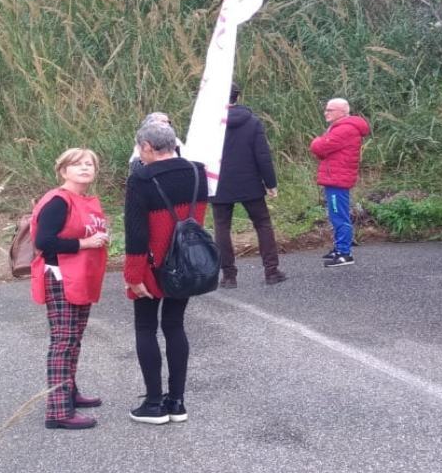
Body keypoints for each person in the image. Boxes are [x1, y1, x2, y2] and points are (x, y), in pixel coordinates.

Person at [124, 123, 207, 424]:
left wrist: (133, 274)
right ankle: (177, 402)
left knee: (145, 327)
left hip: (152, 266)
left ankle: (154, 403)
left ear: (147, 146)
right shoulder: (197, 171)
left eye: (140, 149)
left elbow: (136, 232)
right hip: (186, 262)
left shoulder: (141, 179)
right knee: (175, 326)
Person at [31, 148, 110, 430]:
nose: (85, 168)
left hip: (80, 276)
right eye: (77, 165)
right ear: (63, 171)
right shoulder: (58, 201)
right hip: (60, 277)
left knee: (74, 339)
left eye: (89, 164)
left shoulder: (83, 199)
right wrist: (85, 244)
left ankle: (69, 393)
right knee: (63, 342)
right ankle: (58, 411)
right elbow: (44, 242)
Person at [211, 83, 285, 288]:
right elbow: (262, 156)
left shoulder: (209, 123)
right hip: (249, 181)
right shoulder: (252, 122)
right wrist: (270, 183)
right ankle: (271, 271)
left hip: (219, 183)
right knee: (262, 224)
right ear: (237, 97)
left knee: (221, 228)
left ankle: (228, 276)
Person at [310, 98, 370, 267]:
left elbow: (319, 147)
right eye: (326, 109)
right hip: (335, 178)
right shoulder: (341, 128)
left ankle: (345, 253)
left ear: (342, 112)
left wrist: (316, 141)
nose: (326, 113)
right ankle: (339, 248)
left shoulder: (344, 129)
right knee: (336, 215)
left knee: (339, 216)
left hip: (338, 179)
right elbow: (324, 151)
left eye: (330, 110)